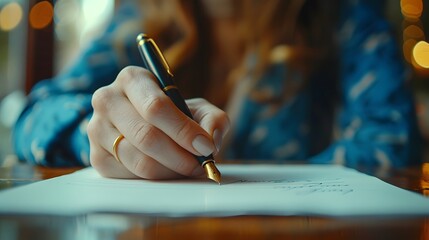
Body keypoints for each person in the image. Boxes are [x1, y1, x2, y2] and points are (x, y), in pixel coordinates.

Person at [13, 0, 421, 179]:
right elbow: (32, 117)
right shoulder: (139, 19)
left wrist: (253, 182)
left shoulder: (342, 14)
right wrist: (104, 136)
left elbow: (393, 142)